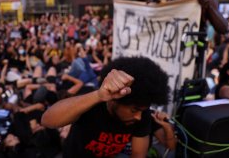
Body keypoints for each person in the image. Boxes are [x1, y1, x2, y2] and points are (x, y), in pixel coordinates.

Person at [41, 57, 170, 157]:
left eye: (142, 111)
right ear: (114, 101)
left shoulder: (142, 115)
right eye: (134, 110)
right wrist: (98, 95)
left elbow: (138, 154)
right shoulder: (91, 102)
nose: (138, 116)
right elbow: (47, 120)